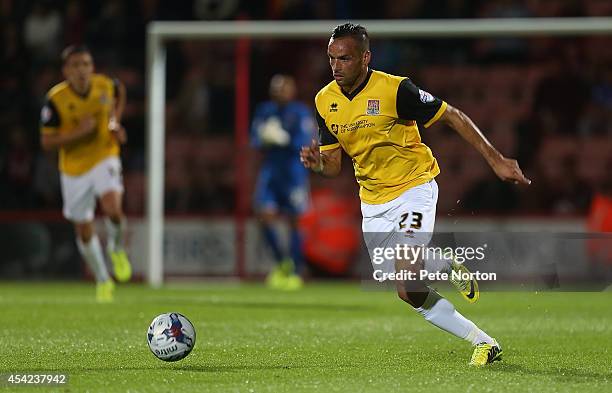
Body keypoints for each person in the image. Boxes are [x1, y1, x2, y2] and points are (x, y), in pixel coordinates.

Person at [300, 23, 531, 365]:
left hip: (414, 187)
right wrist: (319, 164)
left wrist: (496, 159)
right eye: (331, 58)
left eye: (344, 58)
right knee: (408, 291)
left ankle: (480, 339)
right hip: (373, 202)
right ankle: (479, 332)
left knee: (408, 272)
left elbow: (451, 115)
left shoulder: (395, 90)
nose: (336, 66)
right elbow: (334, 164)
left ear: (365, 57)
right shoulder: (325, 100)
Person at [40, 45, 132, 302]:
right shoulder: (55, 100)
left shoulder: (104, 85)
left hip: (105, 155)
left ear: (92, 67)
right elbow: (46, 142)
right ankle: (103, 279)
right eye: (75, 65)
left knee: (113, 209)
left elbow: (119, 90)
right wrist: (79, 132)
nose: (82, 70)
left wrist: (114, 120)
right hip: (73, 169)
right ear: (66, 71)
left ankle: (116, 248)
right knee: (84, 230)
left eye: (86, 64)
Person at [252, 74, 315, 290]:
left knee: (294, 221)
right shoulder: (265, 111)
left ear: (292, 90)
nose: (278, 92)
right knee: (264, 216)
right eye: (275, 88)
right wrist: (263, 138)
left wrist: (284, 138)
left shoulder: (300, 112)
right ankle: (282, 262)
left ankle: (296, 270)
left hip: (294, 174)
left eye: (283, 88)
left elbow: (305, 141)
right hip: (271, 173)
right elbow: (254, 137)